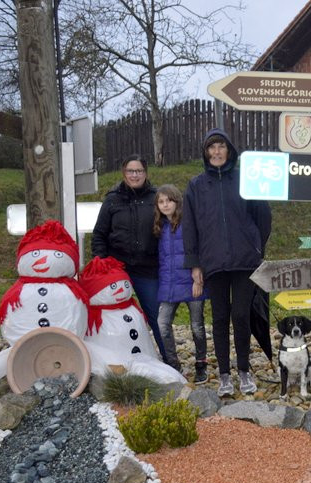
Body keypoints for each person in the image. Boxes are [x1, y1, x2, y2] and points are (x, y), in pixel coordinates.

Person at [183, 128, 271, 397]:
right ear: (206, 152)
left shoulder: (246, 179)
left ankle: (243, 370)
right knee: (220, 318)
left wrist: (257, 248)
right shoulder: (196, 186)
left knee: (241, 315)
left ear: (229, 150)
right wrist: (195, 263)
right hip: (213, 263)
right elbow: (190, 227)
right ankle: (224, 375)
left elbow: (263, 216)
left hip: (245, 261)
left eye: (221, 147)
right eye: (212, 148)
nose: (217, 152)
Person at [92, 154, 167, 364]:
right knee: (111, 316)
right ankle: (111, 360)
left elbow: (170, 229)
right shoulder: (112, 199)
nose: (135, 175)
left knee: (157, 316)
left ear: (146, 173)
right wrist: (101, 263)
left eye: (139, 171)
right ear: (124, 173)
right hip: (118, 269)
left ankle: (169, 359)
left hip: (148, 268)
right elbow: (99, 234)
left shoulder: (156, 197)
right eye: (130, 171)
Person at [153, 184, 209, 382]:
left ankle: (201, 363)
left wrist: (199, 275)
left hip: (192, 282)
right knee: (162, 324)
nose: (165, 204)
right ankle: (172, 364)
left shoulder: (189, 223)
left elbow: (200, 248)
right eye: (161, 201)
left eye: (169, 200)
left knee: (196, 325)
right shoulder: (160, 226)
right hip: (169, 284)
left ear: (177, 201)